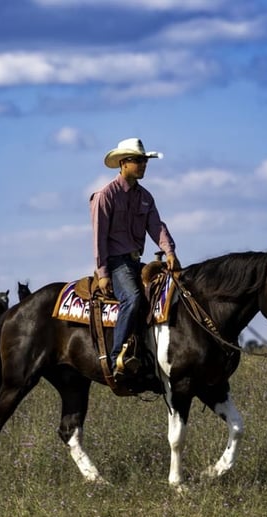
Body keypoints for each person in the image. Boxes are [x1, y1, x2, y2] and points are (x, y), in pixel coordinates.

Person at [90, 137, 180, 381]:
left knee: (167, 291)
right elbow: (99, 237)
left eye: (144, 161)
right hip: (116, 262)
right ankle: (116, 357)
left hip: (134, 260)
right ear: (123, 163)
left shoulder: (146, 197)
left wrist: (169, 251)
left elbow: (156, 226)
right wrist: (103, 273)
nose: (143, 165)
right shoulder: (105, 196)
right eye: (138, 161)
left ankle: (149, 352)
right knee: (132, 297)